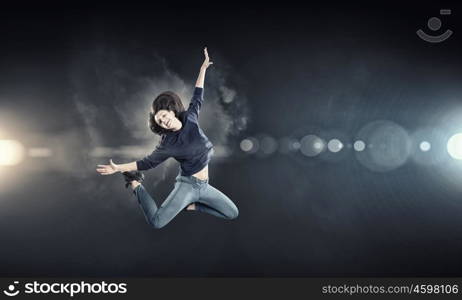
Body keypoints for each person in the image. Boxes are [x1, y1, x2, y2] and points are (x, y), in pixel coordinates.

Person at [96, 48, 239, 229]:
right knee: (157, 222)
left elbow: (198, 95)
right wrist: (119, 168)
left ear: (171, 110)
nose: (164, 121)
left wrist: (203, 69)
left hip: (204, 186)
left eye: (163, 115)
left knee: (232, 213)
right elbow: (146, 163)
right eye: (160, 121)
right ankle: (134, 183)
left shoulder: (190, 118)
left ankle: (192, 206)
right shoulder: (168, 144)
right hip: (188, 186)